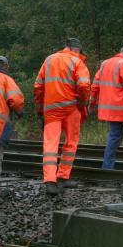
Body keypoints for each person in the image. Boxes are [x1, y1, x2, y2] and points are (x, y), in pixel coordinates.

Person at [34, 38, 90, 195]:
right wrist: (83, 102)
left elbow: (38, 87)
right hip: (71, 108)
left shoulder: (49, 60)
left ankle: (50, 181)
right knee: (71, 142)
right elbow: (84, 85)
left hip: (51, 109)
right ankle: (63, 177)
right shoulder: (78, 62)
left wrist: (40, 109)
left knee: (50, 145)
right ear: (78, 50)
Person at [89, 44, 123, 169]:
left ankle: (107, 167)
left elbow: (95, 85)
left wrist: (91, 104)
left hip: (109, 109)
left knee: (114, 137)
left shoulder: (105, 64)